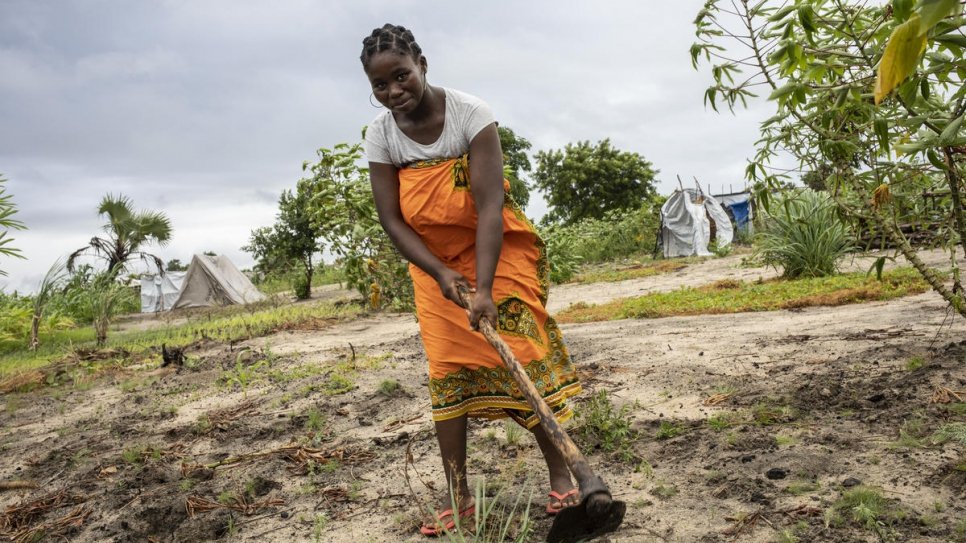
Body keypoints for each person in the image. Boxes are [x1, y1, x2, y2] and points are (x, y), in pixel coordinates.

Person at [359, 23, 582, 536]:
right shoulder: (381, 134)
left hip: (493, 252)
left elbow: (488, 208)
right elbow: (392, 220)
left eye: (402, 76)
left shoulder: (471, 115)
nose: (394, 91)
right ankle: (458, 495)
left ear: (422, 65)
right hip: (432, 264)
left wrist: (482, 289)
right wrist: (440, 274)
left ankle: (562, 474)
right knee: (446, 371)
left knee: (523, 352)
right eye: (380, 85)